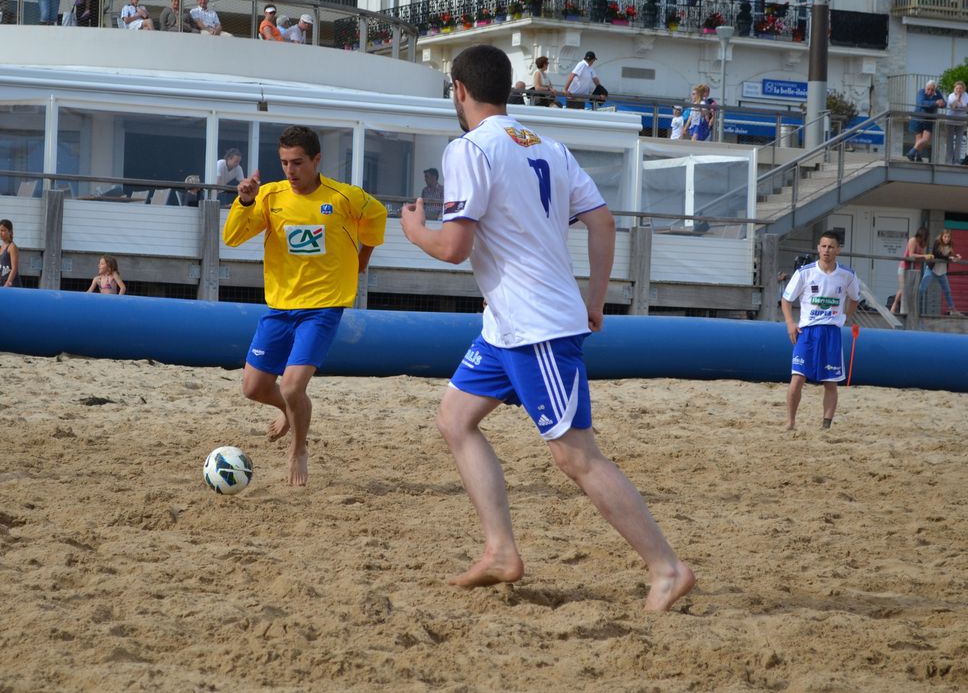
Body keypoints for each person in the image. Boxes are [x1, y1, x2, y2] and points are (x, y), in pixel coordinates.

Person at [399, 45, 694, 611]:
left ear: (459, 90)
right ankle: (500, 551)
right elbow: (603, 221)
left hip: (535, 325)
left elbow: (455, 248)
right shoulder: (548, 146)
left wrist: (414, 229)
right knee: (455, 419)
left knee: (576, 455)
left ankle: (667, 567)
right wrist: (596, 299)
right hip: (507, 324)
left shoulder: (468, 149)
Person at [222, 125, 387, 486]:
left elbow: (377, 216)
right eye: (283, 163)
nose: (290, 171)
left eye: (297, 162)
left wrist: (364, 256)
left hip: (323, 307)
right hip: (280, 307)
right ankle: (288, 409)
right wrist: (246, 201)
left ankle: (298, 449)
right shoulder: (270, 196)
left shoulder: (344, 197)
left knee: (295, 387)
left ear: (316, 160)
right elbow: (232, 238)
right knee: (252, 388)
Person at [781, 231, 860, 431]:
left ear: (838, 250)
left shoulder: (847, 275)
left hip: (831, 333)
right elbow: (786, 300)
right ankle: (790, 422)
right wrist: (790, 323)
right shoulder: (805, 272)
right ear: (818, 248)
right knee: (797, 378)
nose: (827, 250)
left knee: (830, 382)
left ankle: (826, 425)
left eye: (831, 247)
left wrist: (844, 318)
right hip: (807, 332)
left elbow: (855, 299)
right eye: (823, 246)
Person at [918, 229, 963, 316]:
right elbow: (937, 254)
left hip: (942, 272)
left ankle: (952, 309)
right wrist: (949, 257)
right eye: (945, 236)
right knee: (922, 289)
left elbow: (950, 256)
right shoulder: (937, 242)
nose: (946, 239)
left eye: (948, 237)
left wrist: (956, 257)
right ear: (942, 236)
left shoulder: (950, 245)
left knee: (947, 291)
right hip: (932, 270)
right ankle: (912, 306)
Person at [889, 226, 930, 314]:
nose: (923, 239)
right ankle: (895, 305)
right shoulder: (913, 240)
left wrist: (926, 257)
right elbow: (911, 255)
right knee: (903, 288)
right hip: (904, 267)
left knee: (911, 290)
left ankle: (908, 310)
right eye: (923, 236)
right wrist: (924, 256)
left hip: (914, 270)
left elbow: (921, 256)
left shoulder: (922, 244)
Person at [906, 80, 945, 162]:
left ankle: (911, 152)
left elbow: (944, 102)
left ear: (935, 89)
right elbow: (922, 103)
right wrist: (935, 102)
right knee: (919, 139)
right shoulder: (921, 92)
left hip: (930, 119)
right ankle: (918, 156)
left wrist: (942, 103)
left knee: (925, 139)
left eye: (932, 89)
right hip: (918, 118)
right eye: (928, 89)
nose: (930, 91)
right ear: (925, 87)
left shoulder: (937, 93)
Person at [945, 81, 968, 164]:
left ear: (963, 89)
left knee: (959, 141)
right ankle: (949, 161)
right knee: (950, 141)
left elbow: (967, 109)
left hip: (961, 121)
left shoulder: (966, 96)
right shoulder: (951, 96)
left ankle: (957, 160)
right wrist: (958, 98)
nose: (959, 90)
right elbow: (953, 107)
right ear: (954, 89)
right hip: (950, 120)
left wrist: (961, 105)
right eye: (957, 88)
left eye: (960, 88)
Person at [0, 219, 21, 288]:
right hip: (3, 284)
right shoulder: (2, 247)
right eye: (0, 230)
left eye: (3, 230)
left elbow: (14, 268)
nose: (0, 233)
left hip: (12, 286)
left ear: (10, 232)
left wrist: (7, 284)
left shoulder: (12, 247)